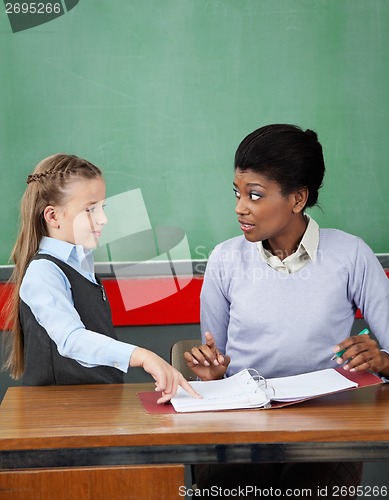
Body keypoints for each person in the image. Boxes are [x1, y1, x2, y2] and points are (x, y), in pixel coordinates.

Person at [185, 124, 389, 498]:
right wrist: (212, 374)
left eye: (255, 195)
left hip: (329, 427)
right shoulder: (225, 259)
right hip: (244, 424)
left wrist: (381, 359)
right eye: (237, 193)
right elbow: (216, 362)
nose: (239, 207)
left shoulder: (351, 255)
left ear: (297, 199)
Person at [2, 153, 199, 404]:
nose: (103, 219)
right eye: (90, 209)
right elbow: (71, 339)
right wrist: (142, 355)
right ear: (52, 216)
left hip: (94, 403)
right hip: (58, 414)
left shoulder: (82, 263)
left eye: (102, 208)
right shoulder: (44, 272)